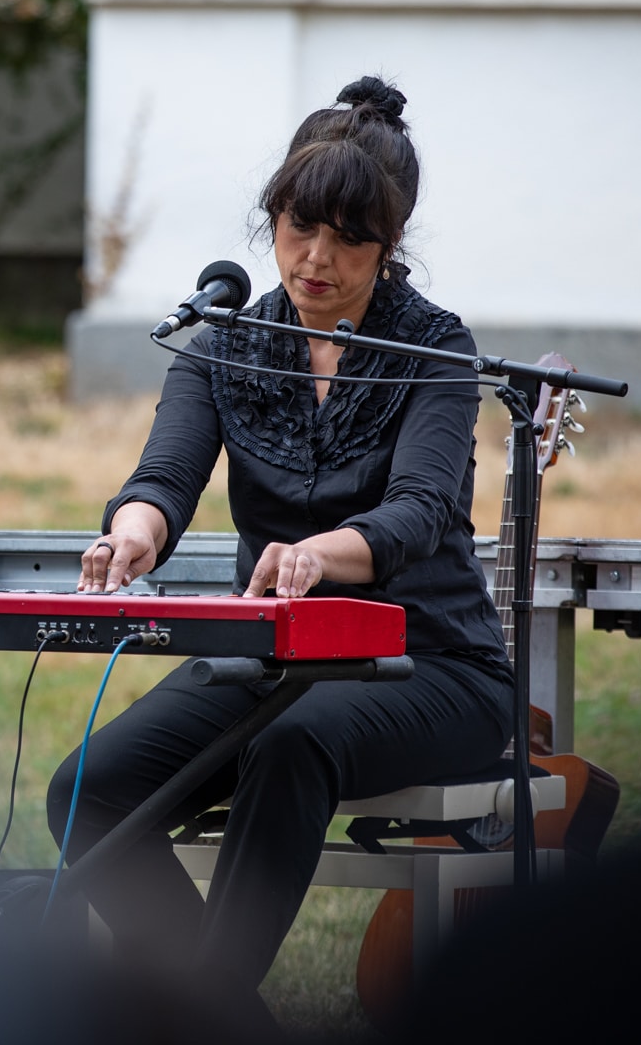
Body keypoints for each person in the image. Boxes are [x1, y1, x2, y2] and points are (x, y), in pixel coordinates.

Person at [47, 77, 516, 1005]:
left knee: (293, 744)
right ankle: (215, 1013)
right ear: (273, 216)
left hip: (434, 666)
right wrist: (130, 533)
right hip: (279, 659)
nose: (316, 258)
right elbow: (165, 479)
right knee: (87, 791)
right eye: (300, 227)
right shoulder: (226, 341)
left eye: (350, 238)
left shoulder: (436, 350)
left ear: (391, 241)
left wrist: (320, 552)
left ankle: (203, 1012)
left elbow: (421, 511)